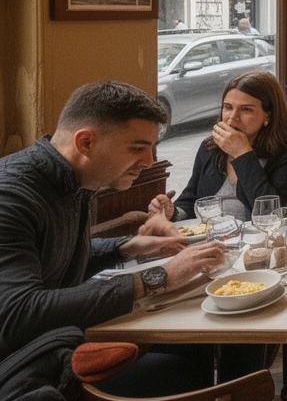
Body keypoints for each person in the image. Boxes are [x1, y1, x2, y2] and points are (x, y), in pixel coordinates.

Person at [0, 82, 225, 358]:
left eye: (152, 148)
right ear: (85, 142)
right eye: (136, 148)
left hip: (59, 349)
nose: (149, 162)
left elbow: (53, 261)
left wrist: (127, 247)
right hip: (24, 377)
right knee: (205, 353)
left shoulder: (76, 180)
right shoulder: (10, 197)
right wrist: (159, 277)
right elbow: (18, 313)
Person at [163, 71, 287, 221]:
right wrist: (172, 212)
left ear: (268, 116)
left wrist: (243, 155)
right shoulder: (210, 147)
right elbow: (191, 198)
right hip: (208, 237)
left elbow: (269, 213)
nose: (232, 117)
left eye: (246, 109)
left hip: (257, 240)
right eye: (228, 107)